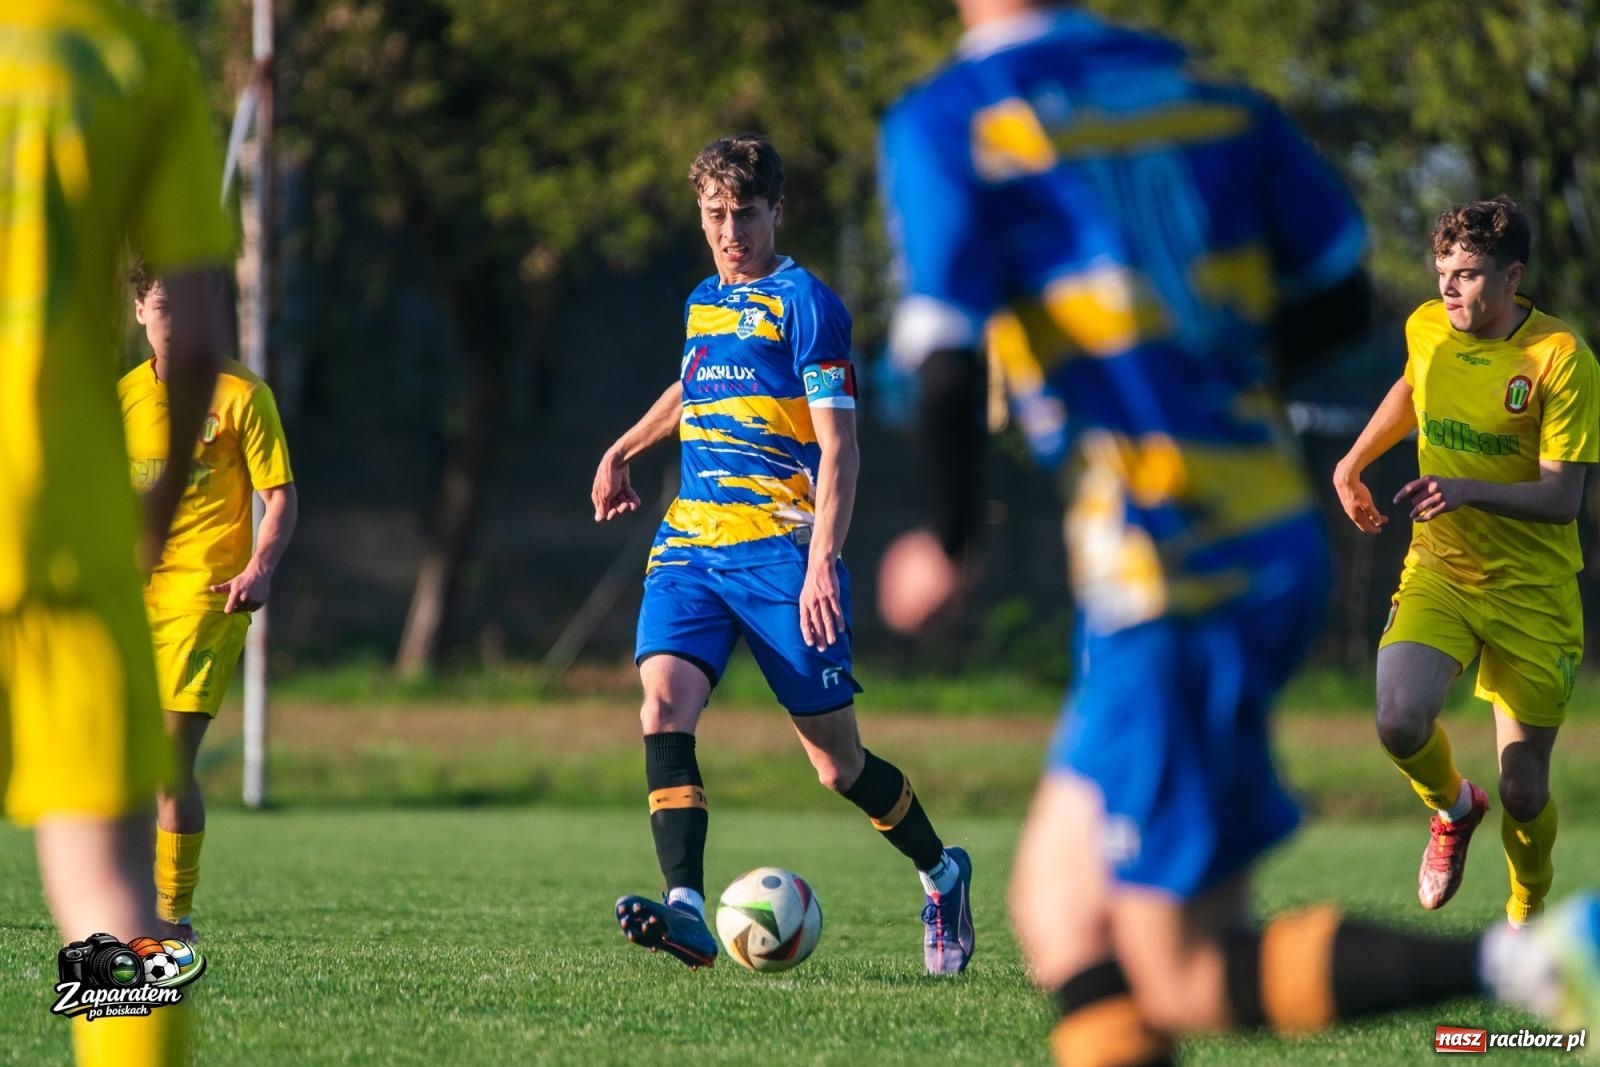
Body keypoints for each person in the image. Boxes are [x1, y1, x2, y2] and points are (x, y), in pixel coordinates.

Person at [876, 2, 1600, 1062]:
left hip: (1175, 567)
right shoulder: (1195, 88)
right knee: (1060, 914)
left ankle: (1535, 959)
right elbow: (1338, 300)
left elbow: (942, 357)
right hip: (1251, 533)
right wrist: (1195, 366)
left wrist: (944, 538)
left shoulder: (954, 118)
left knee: (1179, 965)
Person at [593, 134, 973, 975]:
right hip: (692, 543)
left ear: (777, 211)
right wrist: (626, 446)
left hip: (781, 552)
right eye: (715, 215)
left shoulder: (808, 304)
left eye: (746, 215)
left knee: (837, 766)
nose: (731, 232)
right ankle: (688, 909)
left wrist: (817, 566)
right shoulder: (702, 301)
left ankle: (942, 872)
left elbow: (841, 449)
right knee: (662, 706)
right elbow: (694, 388)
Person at [0, 3, 232, 1063]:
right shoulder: (136, 57)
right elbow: (196, 341)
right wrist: (149, 509)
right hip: (65, 516)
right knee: (108, 898)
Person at [1333, 196, 1596, 928]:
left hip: (1533, 595)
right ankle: (1452, 806)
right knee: (1398, 719)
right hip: (1441, 570)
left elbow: (1562, 497)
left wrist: (1466, 488)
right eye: (1444, 270)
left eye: (1469, 273)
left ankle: (1526, 912)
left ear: (1512, 277)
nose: (1450, 287)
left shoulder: (1561, 359)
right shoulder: (1427, 327)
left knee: (1524, 789)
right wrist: (1353, 462)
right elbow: (1417, 386)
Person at [119, 263, 298, 940]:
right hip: (133, 597)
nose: (175, 321)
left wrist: (260, 564)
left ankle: (173, 915)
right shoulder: (125, 398)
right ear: (139, 311)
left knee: (168, 761)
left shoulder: (243, 395)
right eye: (162, 307)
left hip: (207, 595)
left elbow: (279, 493)